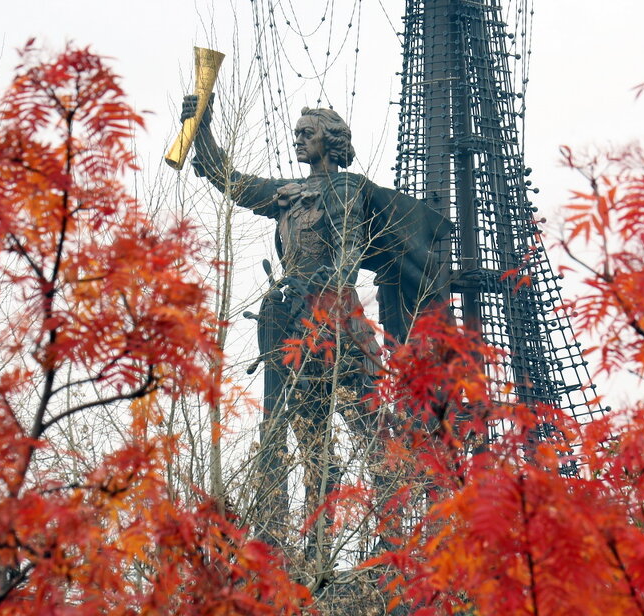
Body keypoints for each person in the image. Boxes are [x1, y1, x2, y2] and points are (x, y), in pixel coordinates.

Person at [181, 94, 448, 553]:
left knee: (371, 431)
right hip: (287, 317)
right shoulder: (288, 192)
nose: (298, 138)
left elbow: (347, 250)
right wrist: (200, 128)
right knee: (299, 434)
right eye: (298, 132)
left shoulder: (347, 190)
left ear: (331, 139)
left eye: (308, 132)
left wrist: (322, 283)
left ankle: (393, 543)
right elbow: (234, 182)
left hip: (336, 319)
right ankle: (300, 546)